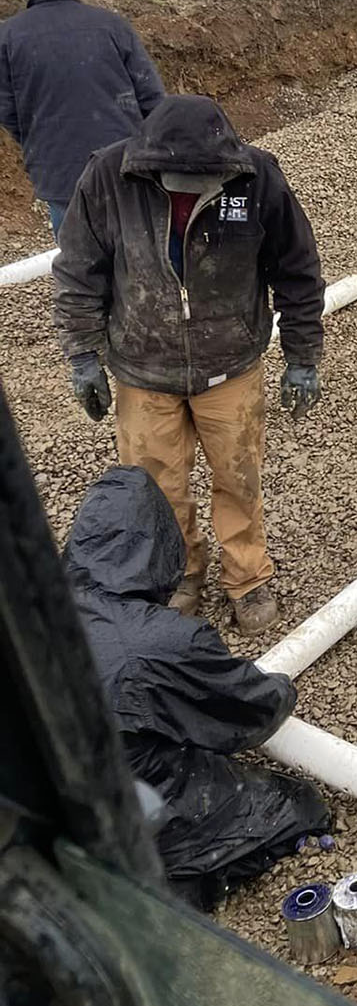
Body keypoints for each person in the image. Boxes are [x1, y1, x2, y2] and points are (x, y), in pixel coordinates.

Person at [53, 93, 326, 636]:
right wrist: (82, 354)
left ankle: (247, 579)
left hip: (231, 363)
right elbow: (80, 271)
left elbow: (297, 270)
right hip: (140, 368)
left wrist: (302, 356)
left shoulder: (256, 178)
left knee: (238, 476)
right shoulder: (109, 177)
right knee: (157, 485)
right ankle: (181, 575)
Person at [65, 465, 329, 909]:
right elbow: (248, 713)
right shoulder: (160, 642)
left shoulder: (32, 606)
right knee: (299, 805)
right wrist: (278, 687)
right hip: (126, 809)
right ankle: (172, 886)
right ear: (161, 546)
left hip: (40, 798)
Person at [0, 0, 165, 235]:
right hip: (125, 166)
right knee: (135, 257)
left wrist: (38, 139)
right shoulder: (112, 26)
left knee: (78, 267)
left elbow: (8, 110)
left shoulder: (8, 37)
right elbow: (152, 98)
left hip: (59, 172)